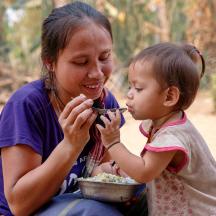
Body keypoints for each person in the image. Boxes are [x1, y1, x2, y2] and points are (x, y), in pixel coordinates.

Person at [0, 1, 126, 216]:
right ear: (50, 62)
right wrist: (71, 145)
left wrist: (113, 170)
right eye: (81, 62)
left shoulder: (105, 103)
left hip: (75, 202)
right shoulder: (27, 106)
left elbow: (100, 173)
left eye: (104, 57)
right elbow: (20, 205)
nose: (97, 73)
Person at [96, 42, 216, 215]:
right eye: (130, 87)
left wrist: (113, 143)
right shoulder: (167, 124)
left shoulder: (173, 136)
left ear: (169, 96)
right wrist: (117, 169)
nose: (129, 94)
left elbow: (144, 172)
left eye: (138, 88)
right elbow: (153, 168)